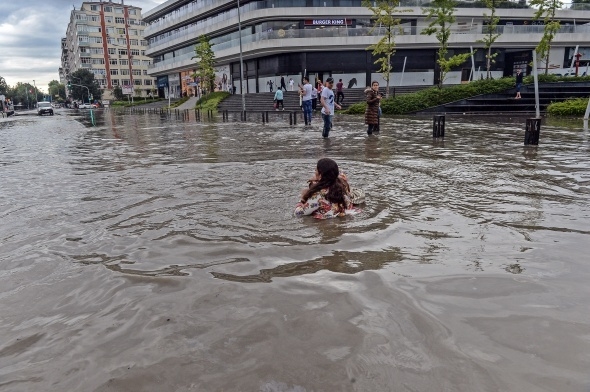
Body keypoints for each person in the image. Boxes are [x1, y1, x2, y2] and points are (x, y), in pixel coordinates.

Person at [294, 158, 359, 219]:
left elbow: (300, 213)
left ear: (320, 175)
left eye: (316, 170)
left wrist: (301, 201)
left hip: (326, 223)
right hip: (344, 217)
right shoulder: (343, 186)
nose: (315, 172)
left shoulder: (318, 195)